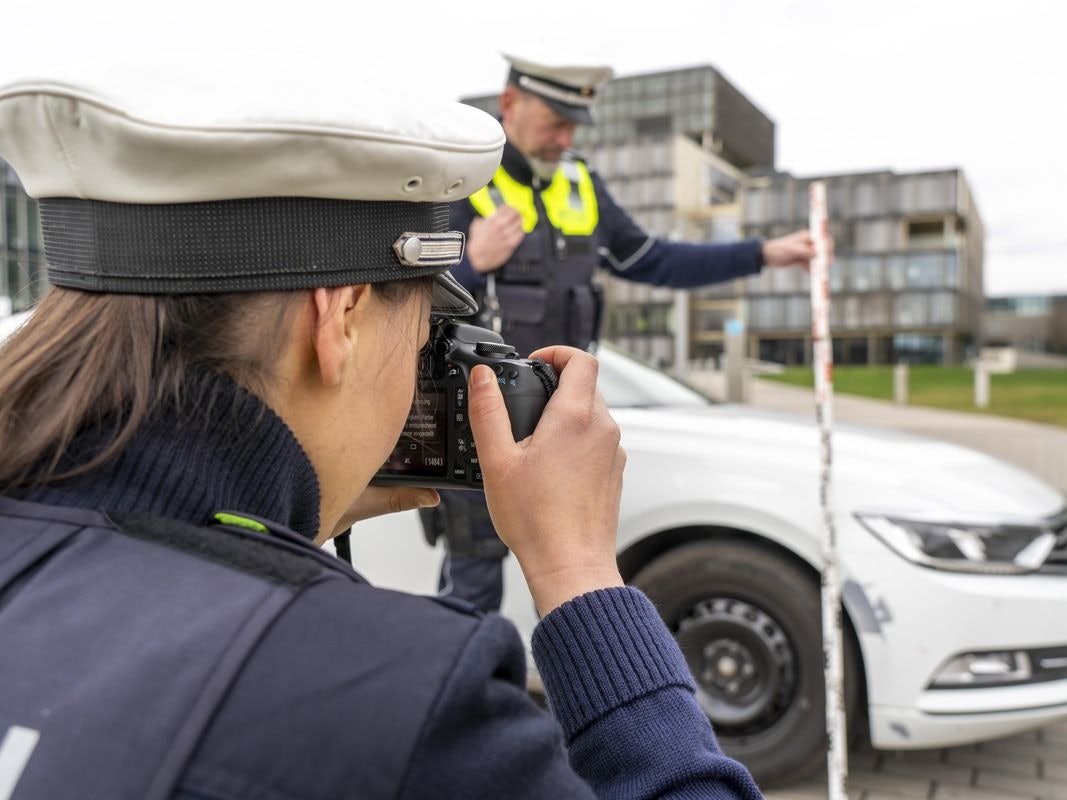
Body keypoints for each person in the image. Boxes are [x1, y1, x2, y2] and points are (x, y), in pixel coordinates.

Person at [0, 58, 764, 799]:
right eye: (427, 321)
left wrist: (291, 507)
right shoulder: (403, 701)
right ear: (342, 318)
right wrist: (580, 578)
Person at [423, 54, 824, 614]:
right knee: (472, 590)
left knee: (575, 581)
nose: (565, 139)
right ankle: (473, 699)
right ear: (510, 105)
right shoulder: (462, 178)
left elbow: (655, 260)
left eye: (573, 126)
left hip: (563, 421)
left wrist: (764, 254)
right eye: (554, 123)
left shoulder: (582, 183)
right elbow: (411, 292)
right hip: (480, 424)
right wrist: (474, 262)